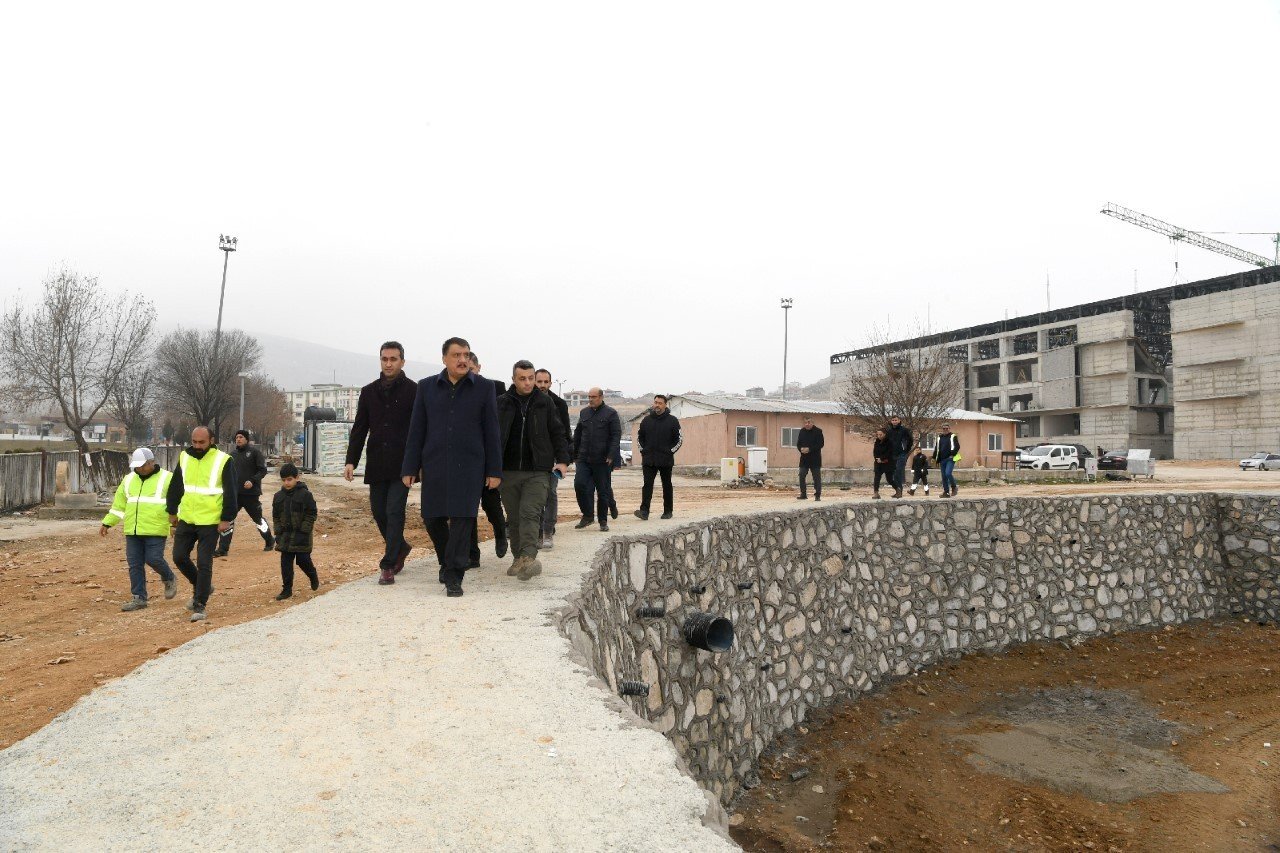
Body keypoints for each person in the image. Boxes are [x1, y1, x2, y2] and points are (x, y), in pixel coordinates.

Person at [402, 337, 502, 598]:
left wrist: (494, 470)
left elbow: (492, 431)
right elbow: (416, 429)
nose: (462, 360)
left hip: (470, 464)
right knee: (432, 517)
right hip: (434, 463)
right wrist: (410, 466)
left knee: (462, 519)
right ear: (444, 358)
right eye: (457, 355)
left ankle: (455, 574)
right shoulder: (426, 387)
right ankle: (447, 562)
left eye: (466, 355)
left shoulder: (484, 388)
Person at [345, 341, 418, 586]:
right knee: (378, 511)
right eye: (384, 359)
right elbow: (360, 428)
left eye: (393, 359)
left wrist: (418, 464)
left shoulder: (413, 391)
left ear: (402, 362)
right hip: (377, 462)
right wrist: (350, 461)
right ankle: (401, 547)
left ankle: (388, 565)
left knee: (394, 511)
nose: (388, 363)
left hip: (403, 464)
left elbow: (420, 430)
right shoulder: (368, 392)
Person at [496, 360, 570, 581]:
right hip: (507, 471)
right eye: (522, 379)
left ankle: (528, 557)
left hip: (538, 470)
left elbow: (558, 432)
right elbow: (491, 436)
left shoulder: (545, 403)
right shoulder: (501, 403)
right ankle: (518, 558)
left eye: (531, 378)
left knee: (530, 513)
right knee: (515, 518)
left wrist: (563, 460)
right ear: (514, 379)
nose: (528, 383)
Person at [167, 426, 237, 622]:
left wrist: (226, 518)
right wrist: (172, 512)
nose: (197, 446)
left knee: (204, 562)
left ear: (211, 440)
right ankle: (203, 586)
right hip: (187, 517)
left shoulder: (223, 460)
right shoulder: (184, 457)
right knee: (179, 557)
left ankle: (200, 603)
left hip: (210, 520)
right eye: (194, 442)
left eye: (201, 442)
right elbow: (176, 486)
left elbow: (231, 491)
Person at [100, 447, 178, 611]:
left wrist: (175, 524)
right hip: (132, 530)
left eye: (143, 465)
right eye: (137, 466)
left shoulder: (167, 478)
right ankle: (139, 598)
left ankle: (169, 577)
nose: (139, 469)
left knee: (153, 559)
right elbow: (119, 506)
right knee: (134, 564)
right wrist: (108, 522)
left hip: (155, 528)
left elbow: (178, 503)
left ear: (151, 462)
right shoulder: (128, 480)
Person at [466, 352, 509, 565]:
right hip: (466, 460)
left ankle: (501, 532)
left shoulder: (496, 387)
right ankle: (472, 555)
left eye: (471, 369)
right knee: (466, 511)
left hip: (489, 457)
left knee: (491, 505)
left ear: (478, 367)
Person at [214, 429, 274, 557]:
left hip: (251, 495)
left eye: (241, 437)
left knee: (258, 520)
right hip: (235, 495)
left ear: (246, 439)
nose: (238, 439)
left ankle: (269, 540)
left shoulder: (255, 453)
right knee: (228, 519)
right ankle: (223, 549)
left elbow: (262, 470)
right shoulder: (231, 455)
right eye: (236, 437)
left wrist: (253, 481)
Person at [572, 387, 620, 531]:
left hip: (602, 459)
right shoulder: (584, 412)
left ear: (601, 397)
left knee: (602, 491)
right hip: (584, 458)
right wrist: (574, 455)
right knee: (579, 485)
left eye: (594, 397)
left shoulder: (611, 414)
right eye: (589, 397)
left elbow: (616, 436)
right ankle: (587, 515)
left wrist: (611, 455)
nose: (591, 399)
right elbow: (578, 434)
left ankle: (603, 520)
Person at [271, 463, 319, 601]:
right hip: (285, 537)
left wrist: (305, 528)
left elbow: (312, 513)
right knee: (285, 564)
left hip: (301, 536)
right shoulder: (278, 496)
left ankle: (313, 575)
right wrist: (278, 530)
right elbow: (276, 515)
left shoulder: (306, 495)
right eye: (284, 480)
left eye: (290, 479)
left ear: (297, 477)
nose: (287, 483)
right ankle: (287, 590)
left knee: (303, 561)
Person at [534, 368, 570, 549]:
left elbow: (564, 434)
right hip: (531, 458)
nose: (541, 385)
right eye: (538, 382)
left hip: (552, 457)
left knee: (550, 494)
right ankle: (536, 533)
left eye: (545, 382)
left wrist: (564, 459)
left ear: (550, 383)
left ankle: (548, 532)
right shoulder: (527, 401)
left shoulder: (559, 404)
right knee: (534, 497)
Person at [634, 394, 682, 520]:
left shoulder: (673, 421)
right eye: (655, 402)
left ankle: (668, 511)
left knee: (667, 485)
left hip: (665, 460)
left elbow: (679, 440)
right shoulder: (646, 420)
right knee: (647, 485)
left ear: (665, 405)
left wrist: (669, 452)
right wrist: (643, 451)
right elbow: (640, 438)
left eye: (660, 403)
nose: (657, 405)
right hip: (649, 459)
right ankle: (644, 512)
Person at [794, 415, 825, 502]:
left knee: (816, 477)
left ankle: (817, 495)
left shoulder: (818, 431)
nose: (807, 424)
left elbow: (821, 444)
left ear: (812, 423)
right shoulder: (802, 431)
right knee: (802, 475)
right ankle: (803, 494)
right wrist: (801, 449)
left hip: (815, 459)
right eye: (805, 422)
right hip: (804, 459)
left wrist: (810, 449)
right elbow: (798, 444)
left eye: (808, 422)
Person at [886, 415, 914, 499]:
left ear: (899, 421)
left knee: (898, 471)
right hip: (892, 455)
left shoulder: (904, 430)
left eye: (896, 420)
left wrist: (906, 450)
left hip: (901, 454)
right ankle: (898, 491)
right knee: (894, 474)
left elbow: (910, 440)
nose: (894, 421)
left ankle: (899, 491)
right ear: (891, 421)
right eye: (893, 420)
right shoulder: (889, 431)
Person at [933, 421, 961, 498]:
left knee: (948, 473)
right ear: (942, 429)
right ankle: (946, 492)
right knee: (944, 477)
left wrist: (952, 454)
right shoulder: (939, 437)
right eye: (944, 428)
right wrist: (934, 458)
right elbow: (937, 448)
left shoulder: (953, 436)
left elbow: (957, 446)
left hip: (950, 458)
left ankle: (954, 486)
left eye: (946, 428)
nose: (945, 429)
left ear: (949, 428)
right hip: (942, 459)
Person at [872, 429, 893, 499]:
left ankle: (897, 489)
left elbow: (889, 453)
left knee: (889, 479)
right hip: (878, 463)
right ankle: (876, 493)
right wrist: (877, 459)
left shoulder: (889, 442)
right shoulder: (877, 442)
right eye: (878, 435)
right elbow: (874, 452)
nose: (879, 436)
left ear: (884, 434)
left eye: (880, 434)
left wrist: (882, 459)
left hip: (887, 463)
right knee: (877, 477)